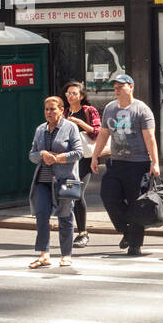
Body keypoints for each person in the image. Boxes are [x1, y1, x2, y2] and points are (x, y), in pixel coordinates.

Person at [91, 74, 159, 257]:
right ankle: (126, 229)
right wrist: (95, 156)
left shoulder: (142, 110)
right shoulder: (110, 108)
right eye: (115, 86)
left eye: (121, 86)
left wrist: (155, 162)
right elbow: (104, 134)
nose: (117, 89)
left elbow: (150, 138)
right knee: (108, 195)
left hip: (138, 164)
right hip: (116, 163)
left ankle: (135, 244)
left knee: (137, 204)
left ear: (131, 87)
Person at [28, 96, 84, 269]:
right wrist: (42, 155)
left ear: (61, 110)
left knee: (65, 216)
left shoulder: (70, 128)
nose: (49, 112)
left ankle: (66, 255)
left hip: (65, 179)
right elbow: (32, 155)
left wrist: (59, 158)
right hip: (43, 180)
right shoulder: (40, 130)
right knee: (42, 215)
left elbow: (78, 152)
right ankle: (44, 254)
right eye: (46, 109)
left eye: (53, 109)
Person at [62, 80, 102, 248]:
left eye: (74, 94)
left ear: (82, 96)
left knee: (77, 193)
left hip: (85, 159)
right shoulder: (63, 112)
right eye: (68, 93)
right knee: (70, 195)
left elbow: (98, 132)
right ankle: (73, 230)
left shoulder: (89, 111)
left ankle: (83, 233)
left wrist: (79, 123)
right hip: (69, 159)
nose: (71, 96)